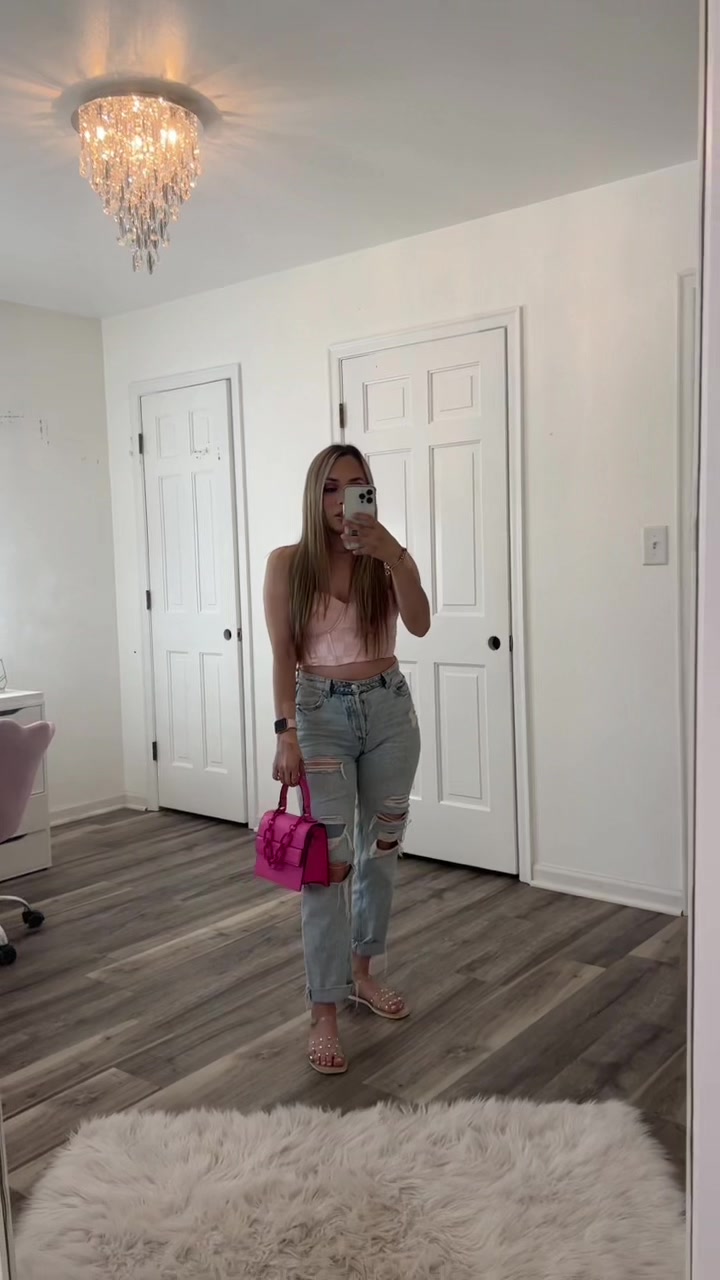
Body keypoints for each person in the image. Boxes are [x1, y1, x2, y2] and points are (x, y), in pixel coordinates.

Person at [263, 444, 430, 1075]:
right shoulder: (287, 563)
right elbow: (283, 652)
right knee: (326, 866)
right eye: (331, 488)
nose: (342, 500)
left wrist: (395, 555)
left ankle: (363, 972)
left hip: (389, 712)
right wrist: (286, 731)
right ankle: (324, 1009)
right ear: (315, 495)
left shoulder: (383, 558)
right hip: (320, 717)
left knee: (381, 851)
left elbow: (420, 624)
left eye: (356, 486)